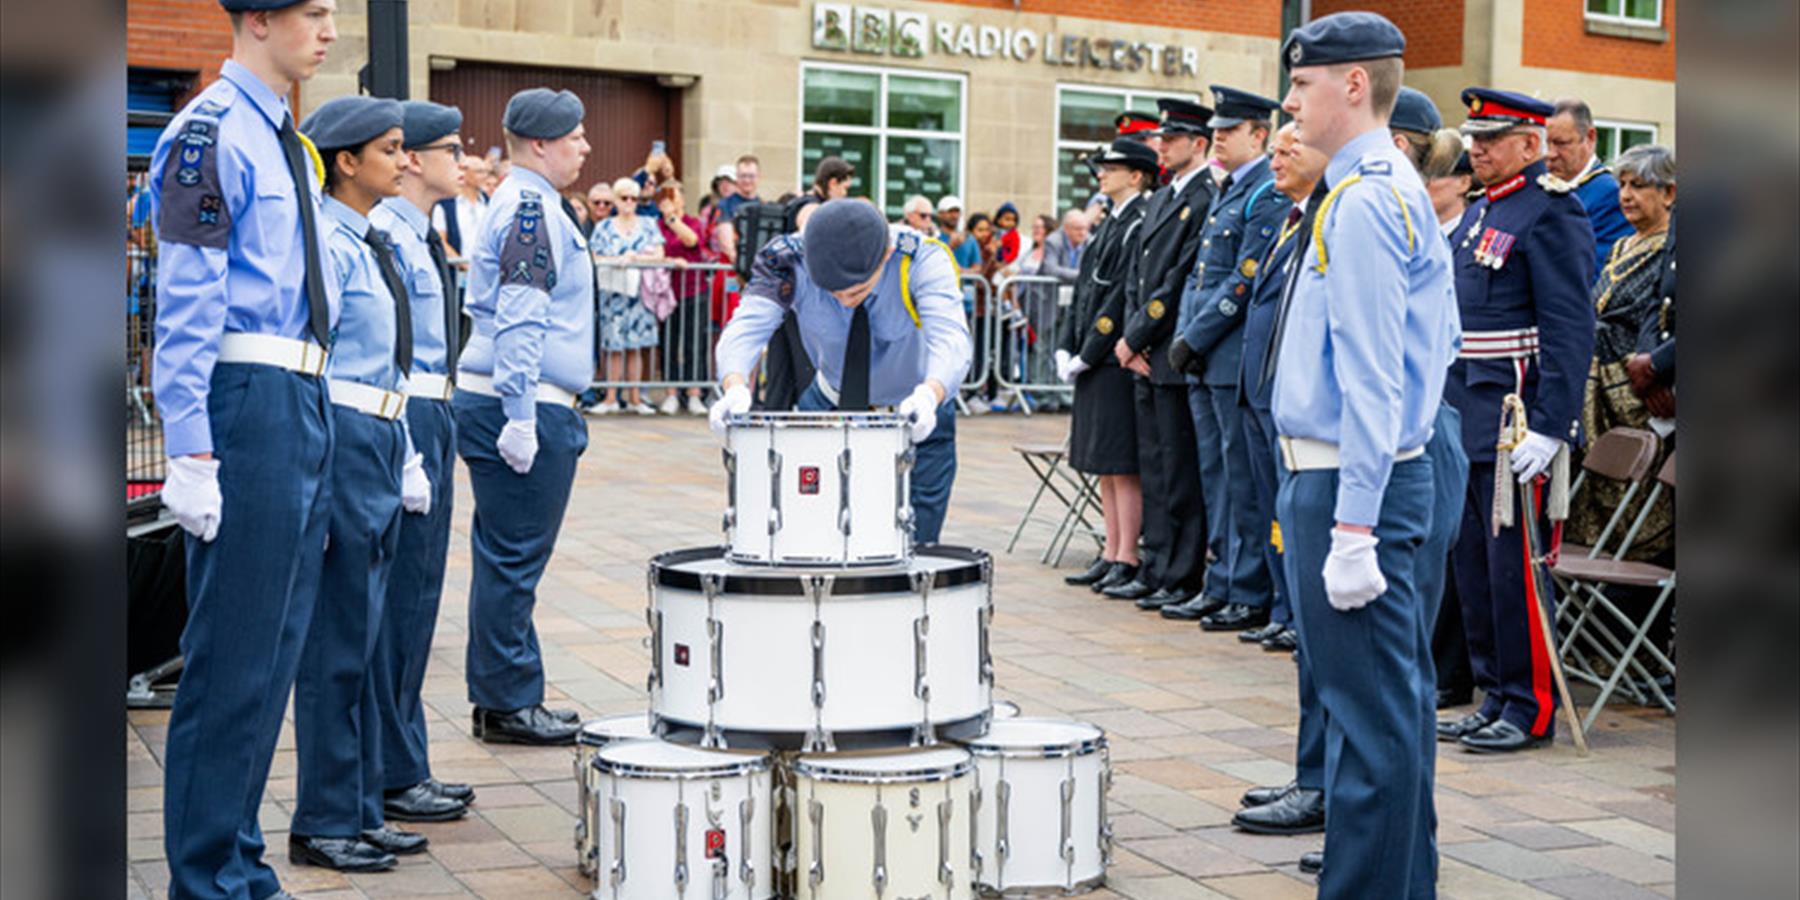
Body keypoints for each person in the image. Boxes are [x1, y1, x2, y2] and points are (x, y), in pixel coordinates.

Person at [1271, 13, 1461, 895]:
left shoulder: (1366, 197)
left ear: (1354, 84)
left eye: (1303, 84)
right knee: (1389, 714)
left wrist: (1353, 527)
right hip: (1360, 479)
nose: (1290, 101)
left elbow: (1378, 381)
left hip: (1355, 486)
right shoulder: (1377, 188)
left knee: (1371, 726)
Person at [151, 4, 338, 897]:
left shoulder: (285, 140)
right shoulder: (210, 133)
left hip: (301, 391)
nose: (331, 29)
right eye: (314, 11)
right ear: (259, 18)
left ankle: (236, 857)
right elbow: (188, 297)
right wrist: (189, 444)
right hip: (247, 397)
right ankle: (205, 877)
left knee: (274, 650)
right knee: (232, 655)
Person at [288, 95, 426, 874]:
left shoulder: (371, 241)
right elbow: (323, 361)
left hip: (380, 434)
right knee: (338, 641)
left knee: (368, 641)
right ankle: (325, 818)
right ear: (346, 161)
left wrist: (400, 449)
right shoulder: (331, 247)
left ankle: (363, 807)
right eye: (393, 148)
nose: (404, 161)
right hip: (342, 438)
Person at [1437, 87, 1596, 757]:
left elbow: (1570, 328)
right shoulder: (1480, 214)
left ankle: (1530, 708)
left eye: (1492, 138)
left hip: (1516, 419)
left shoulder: (1551, 214)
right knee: (1475, 567)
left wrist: (1552, 426)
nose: (1476, 148)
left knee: (1515, 572)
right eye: (1474, 137)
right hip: (1468, 412)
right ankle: (1496, 693)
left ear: (1531, 146)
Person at [453, 87, 596, 746]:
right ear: (540, 144)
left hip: (521, 396)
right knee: (513, 560)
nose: (585, 146)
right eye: (574, 136)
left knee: (505, 557)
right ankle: (508, 701)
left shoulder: (527, 204)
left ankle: (506, 692)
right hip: (525, 399)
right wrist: (518, 414)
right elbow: (520, 312)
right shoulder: (532, 208)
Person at [710, 199, 972, 542]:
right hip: (830, 403)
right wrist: (734, 386)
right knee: (816, 532)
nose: (843, 301)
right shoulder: (786, 259)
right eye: (830, 292)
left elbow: (950, 337)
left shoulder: (921, 257)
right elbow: (746, 326)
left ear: (887, 252)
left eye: (857, 291)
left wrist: (931, 393)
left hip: (918, 412)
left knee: (915, 544)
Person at [367, 99, 479, 828]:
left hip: (435, 411)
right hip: (408, 412)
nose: (463, 159)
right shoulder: (389, 235)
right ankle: (391, 771)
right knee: (399, 602)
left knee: (419, 599)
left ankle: (406, 763)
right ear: (411, 160)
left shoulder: (422, 233)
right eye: (450, 148)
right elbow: (389, 350)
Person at [1162, 85, 1287, 633]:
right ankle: (1221, 582)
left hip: (1228, 355)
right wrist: (1187, 336)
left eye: (1229, 130)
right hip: (1204, 354)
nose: (1217, 137)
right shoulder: (1231, 187)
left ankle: (1247, 587)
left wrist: (1198, 335)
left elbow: (1245, 278)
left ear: (1259, 134)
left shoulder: (1266, 190)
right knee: (1216, 474)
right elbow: (1202, 272)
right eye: (1215, 129)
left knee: (1241, 480)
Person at [1224, 123, 1319, 840]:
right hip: (1286, 426)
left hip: (1338, 455)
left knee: (1342, 653)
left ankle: (1337, 798)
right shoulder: (1299, 220)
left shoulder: (1349, 216)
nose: (1277, 160)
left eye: (1292, 144)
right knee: (1317, 646)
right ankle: (1315, 777)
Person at [1102, 98, 1215, 609]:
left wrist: (1140, 335)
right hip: (1142, 351)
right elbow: (1137, 277)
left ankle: (1180, 573)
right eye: (1161, 139)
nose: (1162, 146)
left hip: (1166, 351)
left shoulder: (1204, 197)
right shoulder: (1167, 195)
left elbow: (1177, 278)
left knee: (1177, 471)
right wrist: (1129, 337)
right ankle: (1155, 565)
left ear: (1199, 144)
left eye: (1172, 140)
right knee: (1154, 466)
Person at [1055, 140, 1157, 593]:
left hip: (1113, 356)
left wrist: (1090, 350)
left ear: (1136, 176)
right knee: (1102, 462)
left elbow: (1117, 295)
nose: (1102, 173)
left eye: (1112, 167)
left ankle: (1127, 555)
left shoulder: (1137, 220)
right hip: (1095, 356)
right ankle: (1111, 550)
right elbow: (1082, 291)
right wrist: (1064, 344)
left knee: (1121, 462)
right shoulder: (1109, 220)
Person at [1567, 144, 1676, 558]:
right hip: (1596, 391)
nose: (1626, 195)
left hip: (1638, 394)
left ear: (1669, 194)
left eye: (1639, 186)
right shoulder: (1619, 247)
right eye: (1623, 185)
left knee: (1637, 501)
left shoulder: (1673, 248)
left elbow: (1653, 317)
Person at [589, 176, 664, 415]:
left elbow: (659, 253)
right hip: (613, 291)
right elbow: (594, 256)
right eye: (624, 198)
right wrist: (616, 261)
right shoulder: (604, 227)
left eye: (634, 198)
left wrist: (636, 258)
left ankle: (635, 398)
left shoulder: (649, 224)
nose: (629, 202)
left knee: (636, 346)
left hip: (640, 293)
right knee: (613, 346)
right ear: (616, 200)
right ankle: (611, 397)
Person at [1546, 98, 1633, 272]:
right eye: (1544, 143)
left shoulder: (1609, 194)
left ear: (1590, 137)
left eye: (1561, 143)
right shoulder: (1542, 186)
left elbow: (1597, 275)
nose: (1550, 154)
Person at [655, 179, 711, 415]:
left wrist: (672, 219)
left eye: (674, 195)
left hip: (693, 290)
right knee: (669, 343)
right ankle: (671, 393)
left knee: (694, 344)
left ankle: (694, 394)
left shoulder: (692, 222)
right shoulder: (656, 226)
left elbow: (691, 240)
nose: (670, 200)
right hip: (667, 293)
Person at [433, 153, 489, 256]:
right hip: (459, 269)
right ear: (464, 173)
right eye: (479, 172)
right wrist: (464, 265)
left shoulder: (489, 203)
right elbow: (441, 241)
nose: (485, 176)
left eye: (486, 172)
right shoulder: (445, 205)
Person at [716, 153, 761, 223]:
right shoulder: (725, 205)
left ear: (758, 177)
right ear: (736, 176)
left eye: (751, 176)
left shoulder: (763, 206)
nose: (747, 180)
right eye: (743, 176)